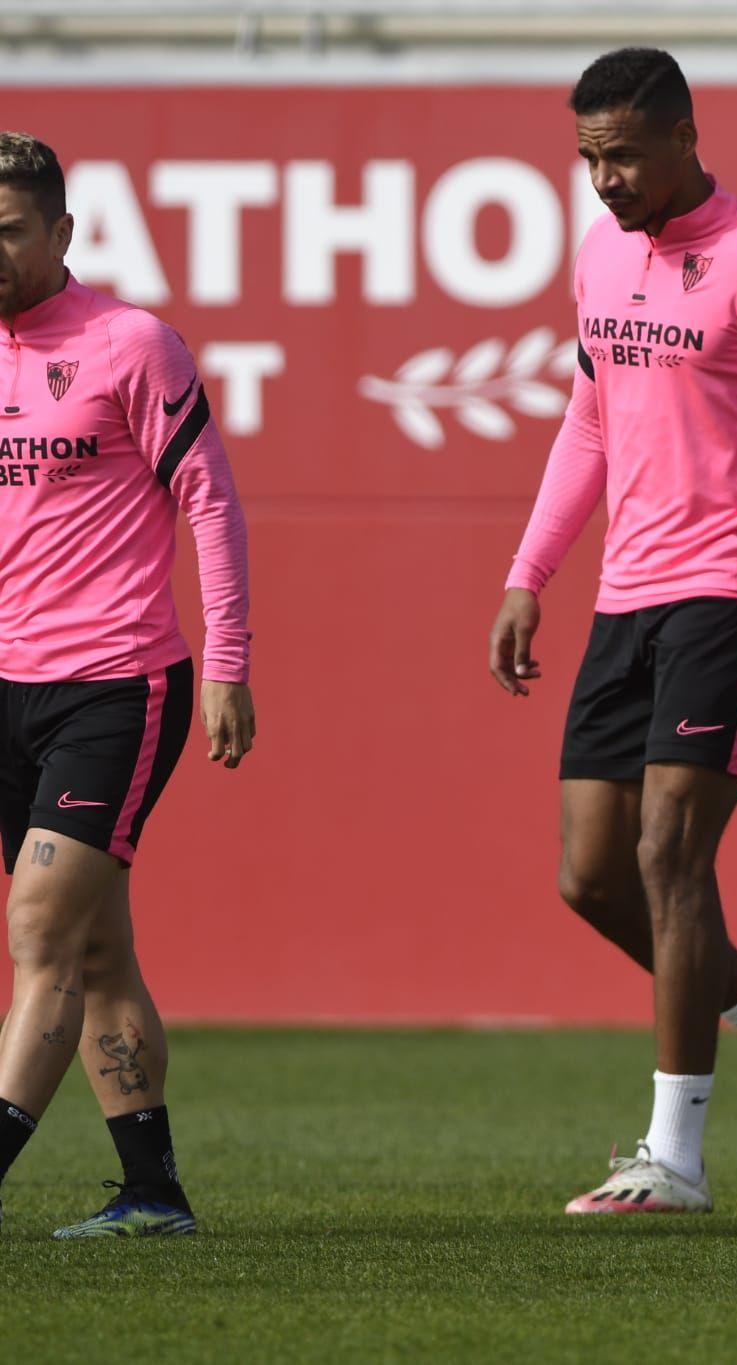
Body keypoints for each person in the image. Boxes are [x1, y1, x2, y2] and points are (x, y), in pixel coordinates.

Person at [487, 48, 737, 1215]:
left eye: (622, 156)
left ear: (684, 138)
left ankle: (675, 1158)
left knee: (669, 857)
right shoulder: (600, 254)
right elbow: (589, 422)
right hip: (627, 597)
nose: (604, 179)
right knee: (591, 875)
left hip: (734, 589)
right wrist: (529, 573)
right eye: (588, 158)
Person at [0, 132, 256, 1238]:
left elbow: (212, 502)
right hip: (7, 686)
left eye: (9, 231)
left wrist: (229, 663)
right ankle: (153, 1191)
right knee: (97, 949)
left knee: (38, 931)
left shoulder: (128, 344)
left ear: (62, 232)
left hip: (116, 682)